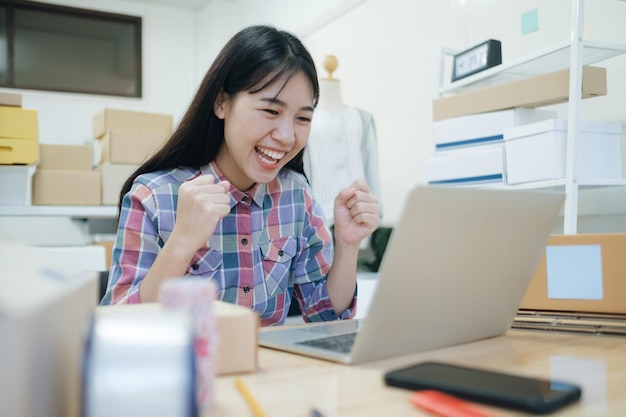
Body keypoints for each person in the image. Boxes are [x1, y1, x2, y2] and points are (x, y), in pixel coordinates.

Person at [100, 25, 380, 326]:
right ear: (222, 102)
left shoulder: (296, 196)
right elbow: (120, 326)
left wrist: (347, 246)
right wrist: (182, 241)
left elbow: (325, 315)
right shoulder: (153, 197)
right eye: (271, 111)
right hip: (188, 369)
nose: (287, 136)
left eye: (302, 118)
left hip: (268, 371)